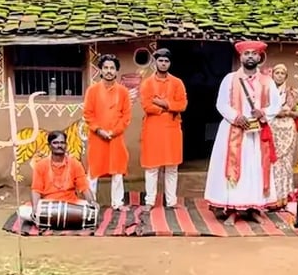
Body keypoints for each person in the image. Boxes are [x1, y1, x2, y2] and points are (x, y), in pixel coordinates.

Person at [204, 40, 282, 226]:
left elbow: (276, 105)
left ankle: (254, 209)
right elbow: (221, 104)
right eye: (246, 53)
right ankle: (232, 210)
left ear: (259, 57)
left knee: (255, 170)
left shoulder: (267, 81)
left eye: (254, 54)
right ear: (240, 57)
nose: (250, 57)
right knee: (235, 170)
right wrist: (236, 117)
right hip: (233, 131)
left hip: (256, 134)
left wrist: (264, 113)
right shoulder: (229, 79)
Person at [139, 48, 188, 210]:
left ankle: (171, 201)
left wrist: (164, 103)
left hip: (172, 129)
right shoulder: (147, 83)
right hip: (153, 129)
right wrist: (168, 108)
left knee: (172, 167)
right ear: (155, 62)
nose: (163, 63)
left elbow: (182, 105)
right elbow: (146, 105)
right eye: (160, 60)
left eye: (166, 61)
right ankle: (150, 201)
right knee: (152, 167)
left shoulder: (177, 82)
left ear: (170, 63)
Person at [83, 54, 132, 211]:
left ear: (117, 71)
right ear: (100, 70)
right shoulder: (92, 91)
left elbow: (126, 116)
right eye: (106, 68)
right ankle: (91, 203)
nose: (109, 71)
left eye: (112, 68)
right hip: (97, 137)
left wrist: (114, 132)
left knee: (117, 171)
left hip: (116, 138)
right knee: (94, 171)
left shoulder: (123, 92)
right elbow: (88, 114)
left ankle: (117, 203)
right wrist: (99, 130)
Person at [18, 131, 97, 222]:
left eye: (62, 143)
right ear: (49, 146)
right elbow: (36, 190)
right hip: (48, 205)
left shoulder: (75, 164)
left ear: (66, 145)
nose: (59, 145)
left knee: (92, 211)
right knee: (22, 211)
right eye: (55, 143)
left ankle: (51, 219)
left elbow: (84, 188)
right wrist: (35, 208)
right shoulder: (40, 165)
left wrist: (92, 203)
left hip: (70, 204)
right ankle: (62, 219)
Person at [270, 63, 298, 208]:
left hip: (288, 130)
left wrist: (288, 113)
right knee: (273, 163)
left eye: (283, 73)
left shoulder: (291, 92)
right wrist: (275, 112)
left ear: (286, 76)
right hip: (272, 129)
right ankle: (272, 198)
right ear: (272, 75)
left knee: (286, 163)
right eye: (277, 73)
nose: (280, 76)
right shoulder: (267, 92)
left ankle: (284, 197)